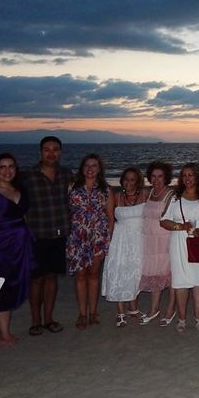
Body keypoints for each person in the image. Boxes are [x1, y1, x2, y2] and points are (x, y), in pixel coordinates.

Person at [160, 163, 199, 333]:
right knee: (180, 282)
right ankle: (181, 319)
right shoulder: (174, 196)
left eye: (191, 175)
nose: (187, 178)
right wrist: (180, 226)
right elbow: (163, 220)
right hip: (179, 242)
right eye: (184, 175)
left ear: (197, 177)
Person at [22, 136, 73, 336]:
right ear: (40, 152)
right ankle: (36, 321)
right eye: (47, 150)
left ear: (60, 152)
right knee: (36, 279)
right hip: (36, 235)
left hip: (59, 234)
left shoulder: (67, 174)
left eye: (55, 150)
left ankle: (49, 319)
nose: (51, 153)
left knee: (52, 277)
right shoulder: (28, 176)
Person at [0, 153, 34, 347]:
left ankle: (6, 332)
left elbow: (24, 218)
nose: (7, 171)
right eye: (2, 167)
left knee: (10, 288)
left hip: (19, 246)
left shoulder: (20, 189)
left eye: (11, 167)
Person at [66, 154, 115, 330]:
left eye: (94, 165)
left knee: (94, 275)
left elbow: (110, 218)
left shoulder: (106, 190)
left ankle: (93, 312)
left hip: (97, 238)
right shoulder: (72, 187)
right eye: (87, 165)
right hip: (77, 238)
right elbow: (67, 213)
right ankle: (82, 313)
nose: (90, 168)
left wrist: (106, 241)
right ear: (82, 168)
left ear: (99, 169)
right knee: (80, 276)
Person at [101, 167, 147, 327]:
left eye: (132, 179)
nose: (128, 182)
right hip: (120, 239)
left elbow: (164, 195)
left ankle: (133, 308)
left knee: (136, 273)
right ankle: (121, 311)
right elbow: (110, 219)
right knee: (120, 272)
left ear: (138, 181)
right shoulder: (116, 195)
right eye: (126, 179)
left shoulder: (145, 194)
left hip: (138, 239)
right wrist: (108, 240)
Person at [139, 161, 176, 326]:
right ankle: (154, 309)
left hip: (165, 240)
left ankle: (170, 309)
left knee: (170, 277)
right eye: (153, 176)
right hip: (149, 241)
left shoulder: (171, 194)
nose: (156, 179)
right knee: (155, 276)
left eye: (160, 176)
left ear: (166, 177)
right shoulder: (149, 193)